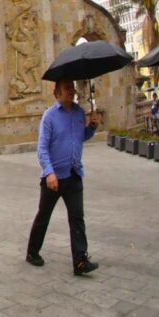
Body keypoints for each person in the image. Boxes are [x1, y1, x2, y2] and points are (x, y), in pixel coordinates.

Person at [25, 79, 102, 276]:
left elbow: (81, 137)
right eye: (67, 88)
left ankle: (80, 261)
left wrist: (92, 126)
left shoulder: (79, 113)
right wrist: (49, 172)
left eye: (72, 88)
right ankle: (32, 252)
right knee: (44, 216)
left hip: (74, 174)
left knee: (77, 218)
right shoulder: (49, 116)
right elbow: (42, 148)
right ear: (56, 93)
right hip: (54, 178)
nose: (71, 91)